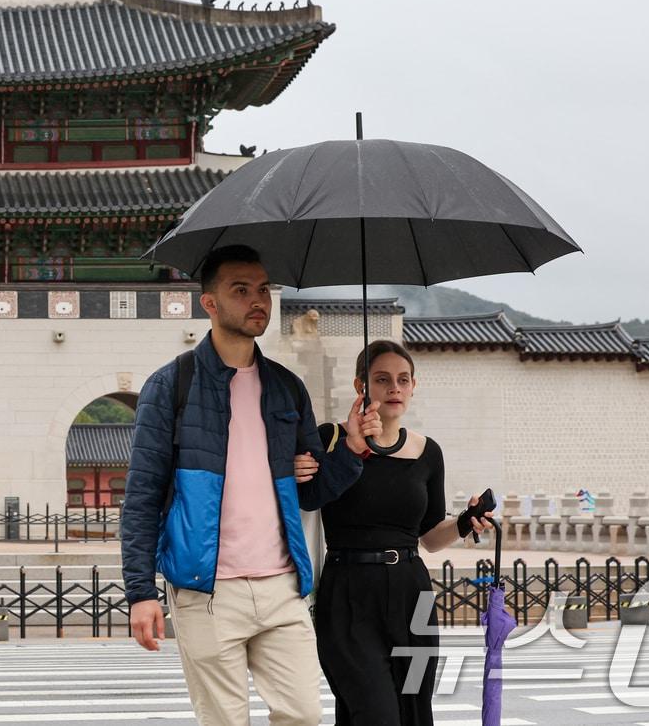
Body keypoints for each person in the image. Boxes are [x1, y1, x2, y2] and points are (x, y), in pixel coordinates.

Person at [120, 245, 382, 725]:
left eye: (263, 289)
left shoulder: (286, 387)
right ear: (211, 304)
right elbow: (142, 497)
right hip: (207, 591)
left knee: (304, 715)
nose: (257, 300)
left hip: (282, 587)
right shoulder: (171, 386)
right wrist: (140, 592)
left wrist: (351, 448)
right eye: (240, 290)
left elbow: (309, 494)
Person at [294, 340, 494, 726]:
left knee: (414, 708)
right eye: (382, 379)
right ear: (360, 387)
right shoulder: (330, 439)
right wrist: (345, 450)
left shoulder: (427, 452)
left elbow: (430, 537)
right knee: (374, 712)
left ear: (414, 387)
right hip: (348, 594)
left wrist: (466, 520)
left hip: (413, 595)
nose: (394, 388)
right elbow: (306, 497)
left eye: (403, 380)